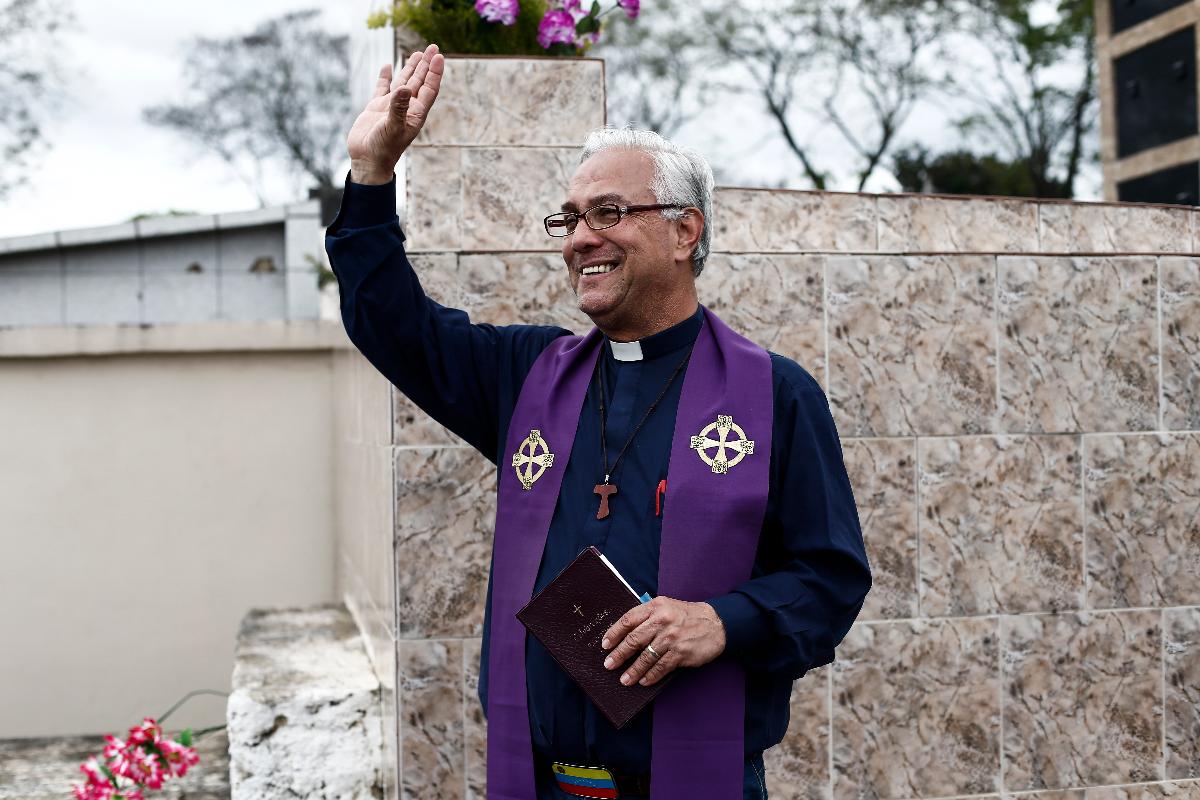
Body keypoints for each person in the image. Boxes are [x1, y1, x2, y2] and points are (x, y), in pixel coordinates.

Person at [326, 44, 871, 800]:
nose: (580, 236)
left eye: (610, 213)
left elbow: (831, 578)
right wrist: (371, 175)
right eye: (571, 217)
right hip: (544, 782)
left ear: (685, 233)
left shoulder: (776, 395)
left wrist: (724, 620)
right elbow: (393, 326)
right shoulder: (527, 379)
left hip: (694, 780)